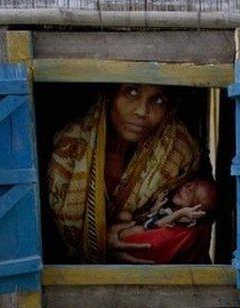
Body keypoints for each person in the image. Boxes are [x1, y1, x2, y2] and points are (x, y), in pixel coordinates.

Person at [46, 83, 206, 264]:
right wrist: (99, 240)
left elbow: (201, 218)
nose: (142, 111)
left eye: (158, 100)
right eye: (132, 92)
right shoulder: (71, 145)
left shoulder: (180, 150)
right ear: (110, 95)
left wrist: (135, 238)